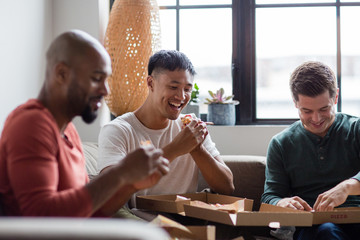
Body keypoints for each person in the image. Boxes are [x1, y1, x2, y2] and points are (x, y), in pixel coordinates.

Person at [0, 30, 169, 217]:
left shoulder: (68, 130)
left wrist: (130, 183)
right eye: (97, 78)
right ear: (61, 74)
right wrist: (120, 172)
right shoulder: (30, 125)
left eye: (107, 80)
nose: (105, 90)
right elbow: (41, 216)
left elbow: (88, 212)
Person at [97, 50, 234, 209]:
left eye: (187, 89)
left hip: (187, 220)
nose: (181, 96)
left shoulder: (190, 127)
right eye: (173, 87)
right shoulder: (118, 130)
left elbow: (227, 187)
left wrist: (197, 148)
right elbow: (108, 193)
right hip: (143, 223)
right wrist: (175, 149)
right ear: (150, 83)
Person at [261, 61, 360, 239]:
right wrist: (282, 202)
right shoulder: (281, 143)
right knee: (327, 232)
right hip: (315, 227)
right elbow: (270, 196)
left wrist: (348, 186)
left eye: (324, 109)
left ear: (335, 97)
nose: (316, 119)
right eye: (307, 111)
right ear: (295, 103)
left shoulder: (356, 129)